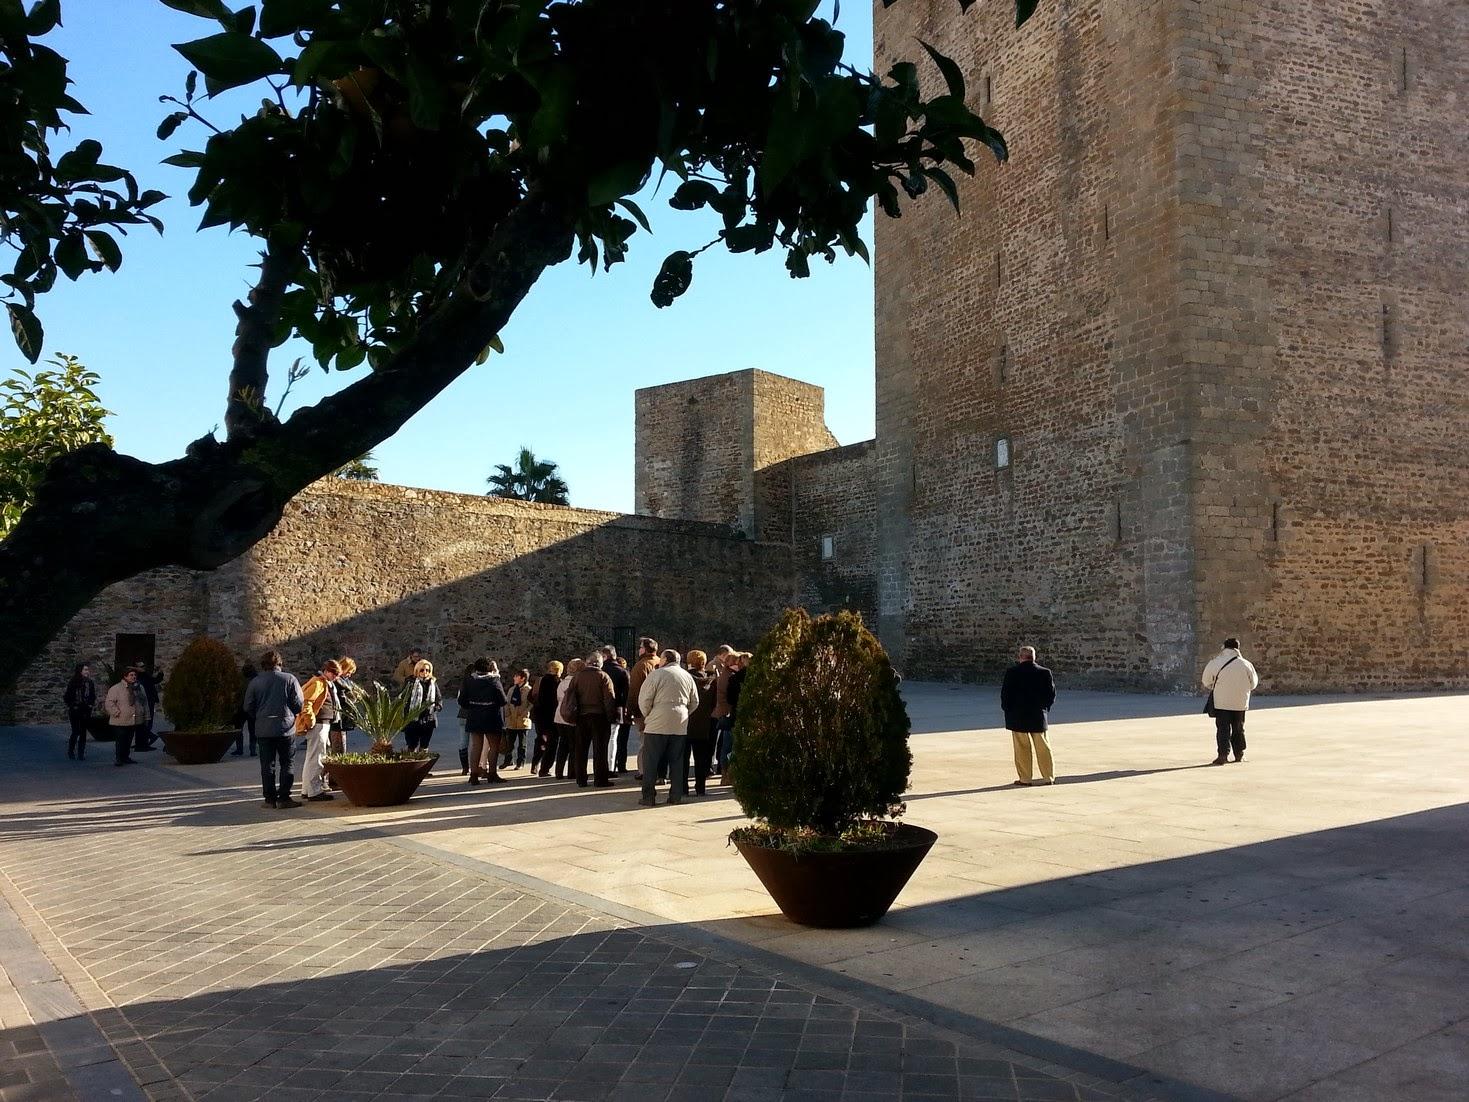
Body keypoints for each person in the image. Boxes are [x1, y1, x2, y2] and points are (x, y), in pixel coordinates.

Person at [242, 651, 305, 808]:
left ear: (263, 665)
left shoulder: (255, 682)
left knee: (267, 765)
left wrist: (260, 715)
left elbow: (248, 706)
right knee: (287, 763)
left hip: (264, 728)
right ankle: (284, 797)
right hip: (286, 727)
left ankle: (269, 799)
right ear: (280, 664)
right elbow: (298, 704)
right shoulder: (289, 679)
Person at [637, 649, 699, 807]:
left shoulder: (656, 674)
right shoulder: (687, 676)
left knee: (651, 761)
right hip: (680, 723)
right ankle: (675, 795)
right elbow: (695, 702)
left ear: (664, 659)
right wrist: (684, 712)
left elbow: (644, 699)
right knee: (677, 761)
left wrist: (649, 715)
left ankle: (648, 796)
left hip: (657, 723)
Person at [1001, 645, 1057, 786]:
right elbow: (1051, 695)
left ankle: (1025, 778)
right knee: (1043, 748)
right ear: (1034, 657)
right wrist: (1044, 708)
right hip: (1037, 715)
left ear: (1020, 657)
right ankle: (1048, 777)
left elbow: (1005, 695)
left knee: (1021, 749)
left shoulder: (1012, 672)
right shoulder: (1045, 672)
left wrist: (1007, 710)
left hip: (1017, 715)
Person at [1202, 636, 1260, 765]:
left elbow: (1206, 681)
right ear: (1237, 648)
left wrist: (1216, 686)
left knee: (1223, 728)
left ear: (1224, 647)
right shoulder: (1246, 664)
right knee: (1239, 728)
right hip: (1240, 702)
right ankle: (1239, 754)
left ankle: (1222, 755)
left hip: (1221, 702)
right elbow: (1253, 683)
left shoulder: (1215, 662)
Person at [566, 654, 617, 788]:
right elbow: (609, 699)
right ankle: (600, 779)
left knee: (581, 750)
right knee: (600, 750)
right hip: (599, 716)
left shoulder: (577, 677)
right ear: (599, 663)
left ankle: (581, 779)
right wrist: (611, 717)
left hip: (581, 716)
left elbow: (570, 697)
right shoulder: (603, 677)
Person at [456, 657, 509, 784]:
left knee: (476, 746)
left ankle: (473, 775)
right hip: (491, 715)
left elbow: (461, 701)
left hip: (474, 715)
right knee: (494, 746)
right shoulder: (494, 680)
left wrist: (473, 705)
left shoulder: (469, 680)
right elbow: (503, 700)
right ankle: (492, 774)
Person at [297, 659, 343, 802]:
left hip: (322, 723)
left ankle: (307, 789)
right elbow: (307, 702)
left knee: (312, 757)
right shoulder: (318, 683)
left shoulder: (325, 683)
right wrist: (310, 720)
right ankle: (314, 791)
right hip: (318, 724)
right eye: (334, 674)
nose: (336, 677)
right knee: (317, 758)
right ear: (327, 671)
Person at [682, 650, 717, 796]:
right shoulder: (712, 680)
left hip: (686, 722)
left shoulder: (685, 678)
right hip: (704, 724)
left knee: (683, 758)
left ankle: (683, 787)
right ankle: (700, 788)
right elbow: (714, 703)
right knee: (701, 758)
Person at [627, 638, 659, 778]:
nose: (639, 649)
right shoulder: (660, 662)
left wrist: (632, 710)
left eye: (640, 647)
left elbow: (634, 690)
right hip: (659, 709)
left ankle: (643, 771)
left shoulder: (641, 666)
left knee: (644, 742)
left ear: (645, 649)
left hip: (644, 709)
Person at [104, 667, 149, 766]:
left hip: (133, 718)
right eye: (131, 675)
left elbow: (144, 702)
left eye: (135, 675)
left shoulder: (139, 688)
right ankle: (119, 758)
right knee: (120, 739)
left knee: (129, 739)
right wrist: (116, 712)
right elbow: (109, 702)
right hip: (120, 719)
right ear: (125, 676)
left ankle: (126, 757)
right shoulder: (116, 688)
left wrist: (146, 716)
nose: (133, 677)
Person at [600, 645, 631, 774]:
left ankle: (601, 766)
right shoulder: (623, 672)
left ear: (605, 656)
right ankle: (611, 766)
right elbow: (627, 693)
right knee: (614, 738)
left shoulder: (600, 671)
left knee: (600, 739)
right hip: (617, 708)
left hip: (599, 708)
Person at [551, 658, 583, 778]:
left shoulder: (562, 682)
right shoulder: (577, 682)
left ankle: (559, 772)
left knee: (563, 745)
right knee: (574, 746)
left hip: (559, 716)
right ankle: (572, 772)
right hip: (571, 717)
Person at [530, 660, 564, 776]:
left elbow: (531, 696)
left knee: (541, 740)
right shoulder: (558, 682)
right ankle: (545, 768)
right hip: (552, 717)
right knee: (552, 743)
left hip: (540, 716)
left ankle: (535, 763)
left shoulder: (540, 681)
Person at [402, 659, 443, 751]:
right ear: (417, 670)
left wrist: (436, 707)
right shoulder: (410, 682)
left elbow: (438, 699)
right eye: (422, 670)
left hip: (428, 719)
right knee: (412, 745)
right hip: (413, 719)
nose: (425, 672)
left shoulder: (433, 683)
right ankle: (411, 762)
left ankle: (422, 761)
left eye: (427, 670)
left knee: (424, 745)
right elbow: (403, 698)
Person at [710, 644, 737, 777]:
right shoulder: (714, 667)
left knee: (722, 741)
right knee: (719, 740)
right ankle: (720, 767)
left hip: (722, 708)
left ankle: (721, 767)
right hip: (722, 709)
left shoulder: (726, 672)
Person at [63, 663, 97, 760]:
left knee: (83, 732)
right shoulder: (73, 682)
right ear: (80, 671)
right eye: (85, 670)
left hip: (85, 710)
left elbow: (92, 695)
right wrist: (73, 705)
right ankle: (71, 751)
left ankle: (81, 753)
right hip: (75, 710)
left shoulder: (89, 683)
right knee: (75, 731)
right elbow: (67, 697)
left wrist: (90, 704)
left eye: (87, 670)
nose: (87, 672)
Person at [502, 668, 533, 770]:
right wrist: (507, 714)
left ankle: (520, 762)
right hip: (511, 720)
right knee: (509, 743)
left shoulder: (528, 690)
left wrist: (525, 713)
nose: (514, 678)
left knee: (522, 744)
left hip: (522, 720)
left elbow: (531, 704)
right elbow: (507, 702)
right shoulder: (512, 689)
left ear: (522, 678)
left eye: (516, 676)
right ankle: (508, 761)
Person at [232, 661, 258, 757]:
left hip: (241, 708)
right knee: (252, 730)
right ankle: (252, 750)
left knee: (239, 729)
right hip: (251, 708)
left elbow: (237, 694)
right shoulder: (256, 681)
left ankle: (240, 749)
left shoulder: (240, 681)